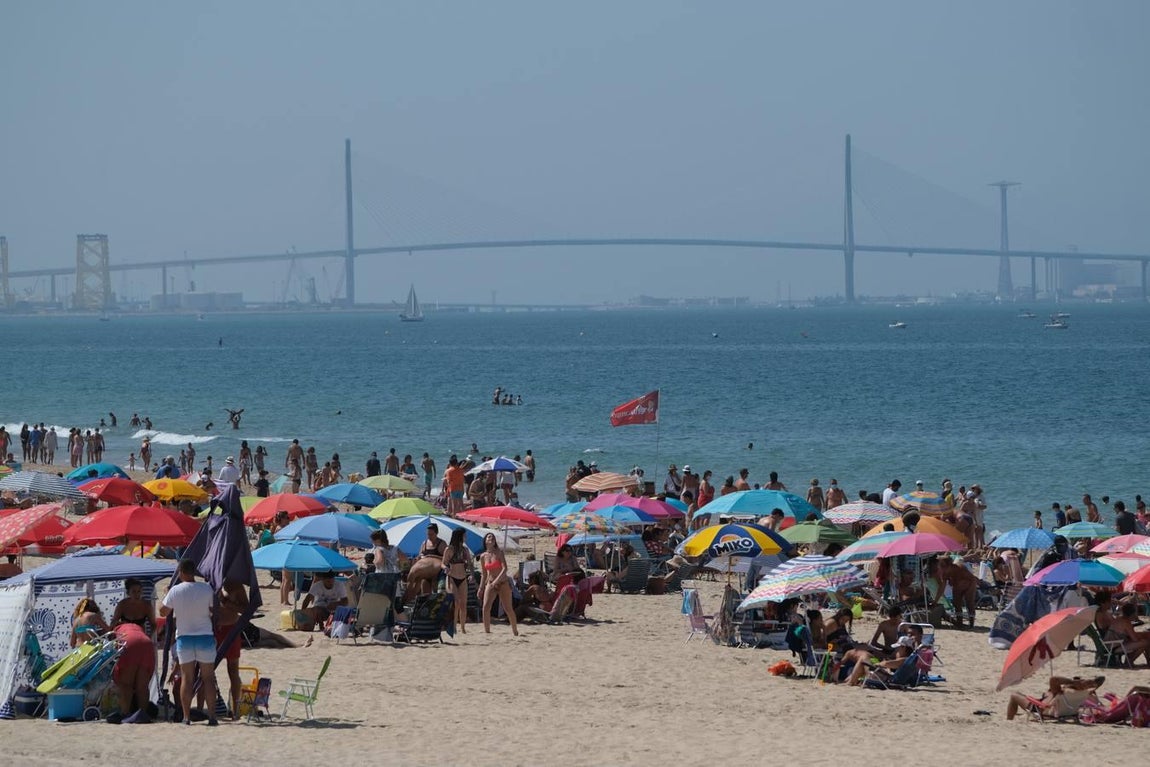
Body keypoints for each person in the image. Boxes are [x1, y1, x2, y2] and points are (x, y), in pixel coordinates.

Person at [159, 559, 219, 726]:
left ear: (181, 572)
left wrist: (167, 595)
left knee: (187, 677)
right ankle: (212, 717)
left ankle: (186, 717)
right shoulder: (206, 588)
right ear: (194, 572)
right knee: (208, 678)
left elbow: (163, 612)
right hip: (205, 635)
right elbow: (214, 610)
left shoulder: (175, 590)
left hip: (184, 637)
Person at [214, 580, 249, 720]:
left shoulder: (236, 586)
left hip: (231, 629)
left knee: (233, 671)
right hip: (215, 629)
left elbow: (247, 609)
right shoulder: (212, 582)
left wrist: (228, 603)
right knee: (208, 670)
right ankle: (208, 708)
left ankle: (236, 709)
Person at [109, 619, 155, 723]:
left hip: (128, 641)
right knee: (142, 687)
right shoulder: (137, 626)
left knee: (126, 685)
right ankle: (143, 714)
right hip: (146, 642)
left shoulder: (117, 629)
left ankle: (125, 713)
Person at [1006, 675, 1104, 720]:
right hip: (1067, 712)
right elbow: (1102, 679)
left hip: (1041, 710)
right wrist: (1090, 683)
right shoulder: (1086, 692)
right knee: (1046, 693)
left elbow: (1053, 679)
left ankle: (1009, 720)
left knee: (1014, 695)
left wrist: (1071, 682)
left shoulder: (1060, 692)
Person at [479, 533, 518, 636]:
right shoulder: (483, 556)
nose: (491, 539)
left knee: (508, 608)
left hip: (502, 582)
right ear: (485, 541)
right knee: (486, 607)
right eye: (489, 537)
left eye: (493, 537)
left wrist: (496, 580)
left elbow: (505, 568)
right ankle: (487, 631)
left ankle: (515, 630)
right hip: (490, 582)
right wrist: (481, 588)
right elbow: (483, 574)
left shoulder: (499, 553)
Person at [441, 529, 473, 634]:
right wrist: (445, 568)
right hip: (452, 577)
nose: (466, 538)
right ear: (459, 536)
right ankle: (453, 626)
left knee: (463, 604)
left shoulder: (465, 550)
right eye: (464, 536)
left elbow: (470, 563)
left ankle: (463, 627)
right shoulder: (449, 549)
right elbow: (443, 563)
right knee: (455, 603)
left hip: (463, 578)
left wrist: (471, 574)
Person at [935, 556, 979, 628]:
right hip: (959, 584)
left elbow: (970, 579)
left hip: (968, 583)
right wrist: (936, 600)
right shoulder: (945, 572)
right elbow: (942, 586)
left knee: (969, 603)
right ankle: (959, 623)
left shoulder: (959, 567)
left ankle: (971, 623)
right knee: (957, 604)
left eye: (943, 566)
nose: (941, 568)